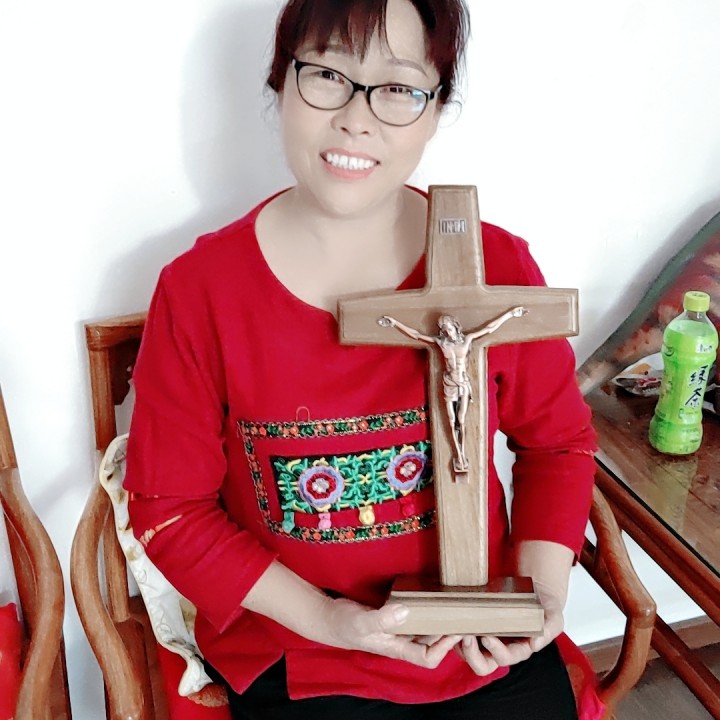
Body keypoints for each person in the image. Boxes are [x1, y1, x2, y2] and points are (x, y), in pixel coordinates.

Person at [124, 1, 599, 718]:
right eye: (327, 75)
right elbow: (171, 510)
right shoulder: (201, 292)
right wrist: (327, 620)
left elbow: (557, 445)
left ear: (436, 109)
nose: (356, 118)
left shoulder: (495, 271)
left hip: (484, 645)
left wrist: (540, 597)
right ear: (281, 81)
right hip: (301, 650)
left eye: (399, 88)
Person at [379, 308, 528, 472]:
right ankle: (458, 455)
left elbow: (489, 329)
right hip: (449, 383)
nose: (447, 333)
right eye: (444, 330)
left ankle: (463, 453)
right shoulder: (442, 343)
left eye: (449, 329)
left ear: (456, 327)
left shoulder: (467, 340)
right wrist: (395, 323)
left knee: (462, 420)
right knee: (451, 421)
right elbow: (416, 335)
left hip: (463, 383)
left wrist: (510, 314)